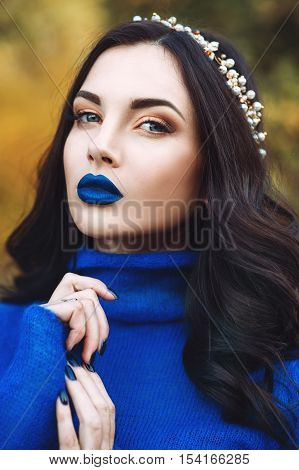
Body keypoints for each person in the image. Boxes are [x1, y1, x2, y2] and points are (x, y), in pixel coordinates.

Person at [0, 12, 298, 450]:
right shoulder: (13, 331)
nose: (100, 145)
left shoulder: (280, 370)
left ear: (215, 170)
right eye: (87, 115)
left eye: (153, 124)